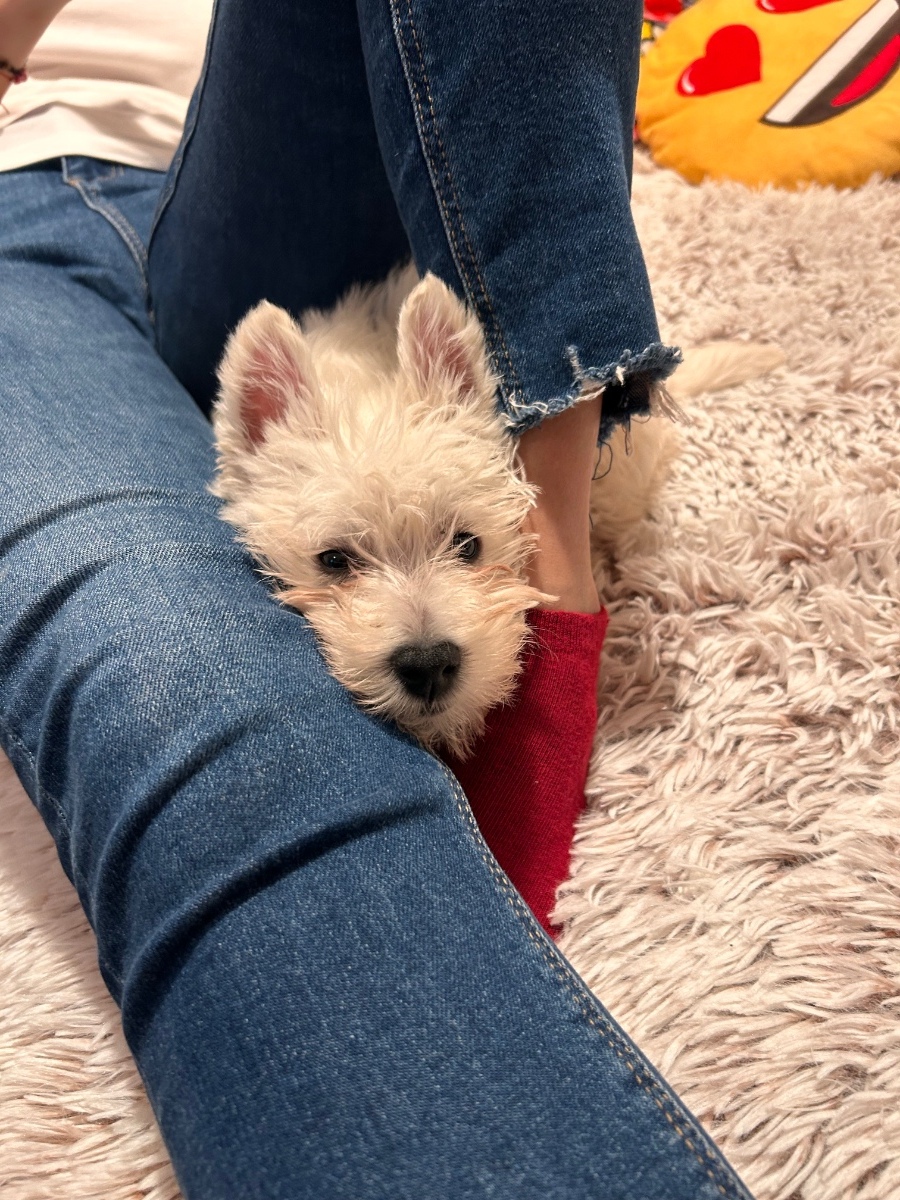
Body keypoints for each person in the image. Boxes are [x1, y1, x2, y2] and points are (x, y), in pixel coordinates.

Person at [0, 1, 752, 1197]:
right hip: (18, 216)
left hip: (263, 153)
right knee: (172, 668)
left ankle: (550, 520)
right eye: (347, 568)